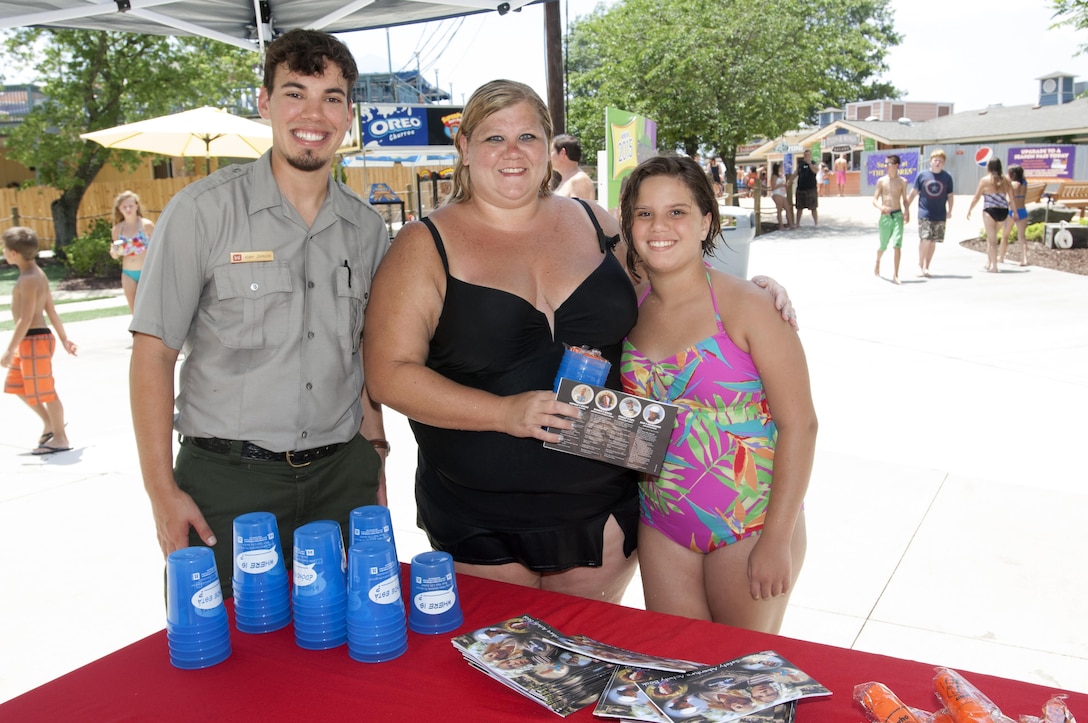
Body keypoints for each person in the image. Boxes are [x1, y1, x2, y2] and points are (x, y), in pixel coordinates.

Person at [363, 80, 797, 604]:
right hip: (479, 519)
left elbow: (670, 294)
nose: (512, 152)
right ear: (464, 148)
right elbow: (389, 374)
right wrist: (505, 413)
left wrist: (750, 293)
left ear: (550, 148)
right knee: (498, 670)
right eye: (492, 137)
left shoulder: (596, 224)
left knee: (592, 665)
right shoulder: (423, 245)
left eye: (527, 135)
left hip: (605, 512)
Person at [128, 29, 390, 591]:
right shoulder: (201, 213)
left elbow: (362, 360)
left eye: (333, 97)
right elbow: (152, 356)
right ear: (265, 103)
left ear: (349, 115)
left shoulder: (367, 231)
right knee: (225, 658)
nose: (313, 114)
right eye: (295, 93)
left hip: (342, 478)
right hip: (227, 486)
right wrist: (161, 492)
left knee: (342, 652)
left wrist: (375, 460)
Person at [619, 155, 815, 634]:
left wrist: (777, 540)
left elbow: (800, 425)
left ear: (706, 221)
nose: (659, 226)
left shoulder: (749, 305)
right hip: (661, 520)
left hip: (748, 525)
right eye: (644, 213)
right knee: (676, 670)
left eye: (677, 212)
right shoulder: (627, 298)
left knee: (740, 679)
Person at [3, 226, 77, 455]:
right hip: (31, 342)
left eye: (4, 249)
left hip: (34, 341)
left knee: (46, 391)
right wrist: (64, 338)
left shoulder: (29, 278)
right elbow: (51, 311)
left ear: (13, 253)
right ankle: (51, 425)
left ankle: (60, 438)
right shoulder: (36, 274)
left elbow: (25, 319)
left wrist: (8, 350)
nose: (3, 252)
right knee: (17, 385)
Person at [905, 149, 954, 277]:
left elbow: (950, 195)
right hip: (924, 212)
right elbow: (913, 193)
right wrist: (906, 208)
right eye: (935, 160)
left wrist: (950, 210)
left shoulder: (947, 177)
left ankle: (927, 267)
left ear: (943, 163)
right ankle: (919, 265)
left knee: (933, 241)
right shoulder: (922, 175)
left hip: (940, 213)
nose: (937, 163)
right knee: (925, 239)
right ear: (930, 161)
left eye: (940, 161)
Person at [109, 190, 155, 312]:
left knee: (150, 309)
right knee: (135, 311)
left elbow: (158, 248)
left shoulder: (146, 225)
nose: (128, 209)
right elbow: (115, 254)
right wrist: (114, 252)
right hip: (128, 273)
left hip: (146, 271)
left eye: (131, 205)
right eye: (124, 207)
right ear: (119, 209)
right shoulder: (118, 229)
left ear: (137, 206)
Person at [966, 158, 1015, 273]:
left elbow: (976, 197)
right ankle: (989, 262)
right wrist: (1015, 211)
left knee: (992, 240)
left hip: (990, 211)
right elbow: (1011, 197)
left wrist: (970, 209)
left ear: (989, 167)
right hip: (1003, 211)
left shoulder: (985, 180)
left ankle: (995, 267)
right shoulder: (1006, 180)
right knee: (991, 237)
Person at [872, 154, 911, 284]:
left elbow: (905, 200)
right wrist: (880, 207)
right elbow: (874, 199)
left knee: (897, 244)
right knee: (883, 245)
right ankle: (878, 261)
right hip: (885, 216)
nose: (886, 166)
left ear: (896, 166)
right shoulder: (881, 181)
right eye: (885, 164)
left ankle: (896, 274)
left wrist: (907, 211)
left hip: (897, 215)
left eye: (888, 164)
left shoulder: (902, 182)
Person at [551, 134, 595, 200]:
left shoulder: (579, 180)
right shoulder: (568, 179)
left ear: (562, 153)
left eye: (550, 151)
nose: (548, 157)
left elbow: (581, 209)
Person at [1002, 164, 1029, 266]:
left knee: (1005, 235)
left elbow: (1010, 195)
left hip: (1013, 211)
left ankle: (1001, 256)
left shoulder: (1013, 184)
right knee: (1021, 236)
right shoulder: (1025, 183)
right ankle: (1024, 258)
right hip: (1023, 210)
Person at [790, 150, 819, 226]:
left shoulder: (813, 163)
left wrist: (809, 163)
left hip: (811, 189)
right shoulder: (800, 164)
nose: (806, 156)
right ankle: (797, 223)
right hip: (801, 188)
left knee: (813, 207)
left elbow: (816, 171)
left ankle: (816, 223)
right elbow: (795, 173)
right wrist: (789, 181)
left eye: (808, 155)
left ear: (810, 155)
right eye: (805, 155)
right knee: (799, 208)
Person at [769, 162, 794, 230]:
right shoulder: (774, 176)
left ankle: (791, 224)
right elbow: (773, 186)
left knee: (788, 209)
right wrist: (781, 185)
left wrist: (787, 185)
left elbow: (784, 186)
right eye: (780, 167)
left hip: (783, 194)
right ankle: (781, 225)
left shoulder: (781, 176)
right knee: (779, 210)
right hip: (777, 194)